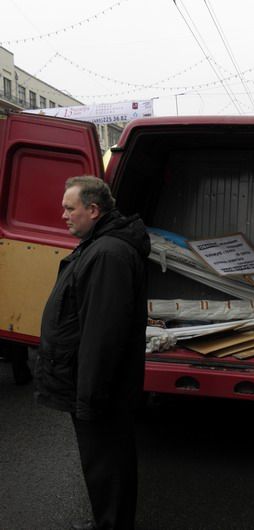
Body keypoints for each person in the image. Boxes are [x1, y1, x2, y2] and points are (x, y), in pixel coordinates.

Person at [35, 176, 150, 530]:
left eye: (70, 208)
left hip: (102, 391)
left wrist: (90, 397)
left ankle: (113, 524)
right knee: (104, 463)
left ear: (94, 209)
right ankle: (110, 521)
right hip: (97, 388)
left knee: (107, 464)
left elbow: (102, 335)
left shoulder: (108, 254)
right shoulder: (98, 246)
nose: (63, 215)